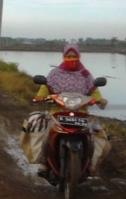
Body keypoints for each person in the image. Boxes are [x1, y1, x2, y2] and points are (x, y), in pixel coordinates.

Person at [33, 43, 108, 177]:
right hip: (58, 111)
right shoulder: (55, 73)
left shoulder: (85, 74)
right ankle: (44, 163)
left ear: (79, 56)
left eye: (74, 56)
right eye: (69, 56)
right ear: (64, 56)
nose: (71, 58)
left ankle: (91, 165)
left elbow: (93, 89)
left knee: (93, 139)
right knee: (46, 135)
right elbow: (46, 86)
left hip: (82, 113)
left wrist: (99, 99)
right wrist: (40, 96)